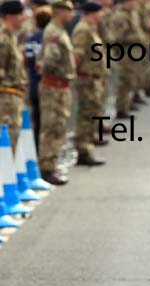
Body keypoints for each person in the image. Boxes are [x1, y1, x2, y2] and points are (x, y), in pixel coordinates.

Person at [37, 0, 75, 186]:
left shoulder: (59, 31)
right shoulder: (53, 31)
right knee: (52, 127)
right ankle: (46, 168)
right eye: (69, 12)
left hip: (60, 85)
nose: (72, 15)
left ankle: (51, 164)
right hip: (54, 86)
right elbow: (50, 60)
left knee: (59, 125)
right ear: (61, 12)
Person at [72, 0, 107, 166]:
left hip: (93, 78)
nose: (102, 15)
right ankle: (83, 151)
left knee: (91, 114)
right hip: (85, 78)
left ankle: (87, 147)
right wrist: (78, 74)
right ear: (93, 13)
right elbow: (77, 56)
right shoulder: (83, 30)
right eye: (100, 12)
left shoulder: (91, 28)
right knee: (86, 115)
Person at [0, 0, 27, 149]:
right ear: (11, 16)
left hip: (12, 97)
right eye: (21, 14)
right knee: (7, 144)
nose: (24, 18)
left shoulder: (11, 37)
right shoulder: (2, 39)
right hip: (5, 99)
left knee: (12, 142)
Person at [23, 4, 49, 149]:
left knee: (36, 119)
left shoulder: (30, 38)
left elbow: (25, 60)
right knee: (45, 122)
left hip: (32, 81)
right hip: (44, 84)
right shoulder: (46, 39)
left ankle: (35, 148)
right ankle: (40, 150)